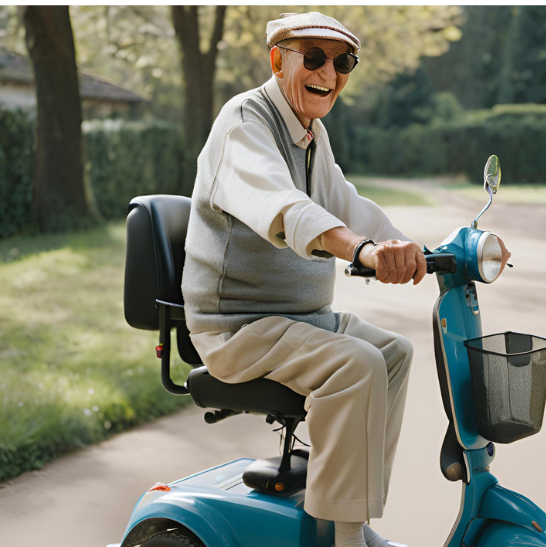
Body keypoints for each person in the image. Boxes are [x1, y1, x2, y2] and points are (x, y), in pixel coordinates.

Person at [181, 12, 422, 547]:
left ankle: (350, 521)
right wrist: (359, 250)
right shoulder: (245, 121)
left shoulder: (312, 135)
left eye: (343, 63)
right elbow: (283, 206)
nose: (329, 74)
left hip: (297, 321)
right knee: (357, 364)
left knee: (394, 354)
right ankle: (344, 539)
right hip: (238, 327)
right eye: (313, 58)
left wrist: (413, 249)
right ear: (277, 60)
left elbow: (344, 202)